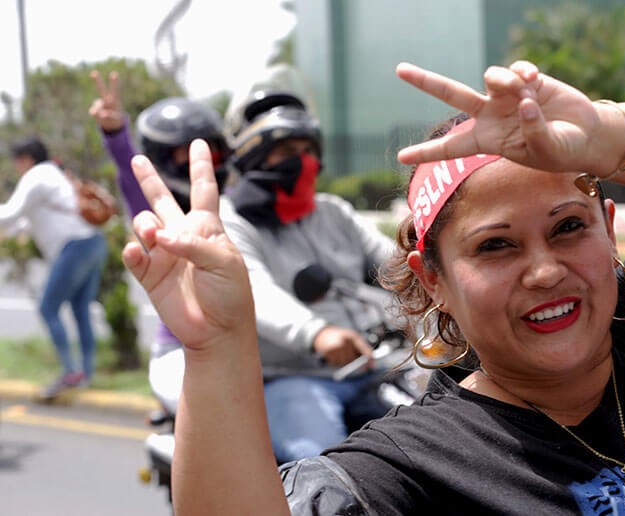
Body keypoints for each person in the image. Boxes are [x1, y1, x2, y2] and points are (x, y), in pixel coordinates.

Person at [123, 58, 625, 515]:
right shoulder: (412, 470)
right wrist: (218, 345)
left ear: (608, 225)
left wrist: (606, 133)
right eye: (495, 246)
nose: (544, 270)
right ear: (433, 281)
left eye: (568, 227)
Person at [219, 90, 396, 462]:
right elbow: (253, 291)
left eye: (308, 150)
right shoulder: (231, 222)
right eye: (287, 151)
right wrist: (317, 333)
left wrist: (438, 276)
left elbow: (393, 263)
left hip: (372, 363)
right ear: (254, 155)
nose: (303, 161)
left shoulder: (333, 212)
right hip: (291, 376)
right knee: (325, 472)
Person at [88, 70, 230, 413]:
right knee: (214, 412)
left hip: (242, 345)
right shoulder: (158, 212)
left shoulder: (240, 204)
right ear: (164, 156)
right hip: (179, 349)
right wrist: (115, 133)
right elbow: (131, 171)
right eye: (186, 153)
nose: (201, 164)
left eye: (210, 152)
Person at [1, 137, 108, 400]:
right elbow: (24, 222)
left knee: (48, 308)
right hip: (93, 242)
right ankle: (85, 374)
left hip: (75, 247)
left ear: (26, 159)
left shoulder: (36, 176)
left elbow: (10, 214)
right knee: (80, 310)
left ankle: (70, 372)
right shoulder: (54, 175)